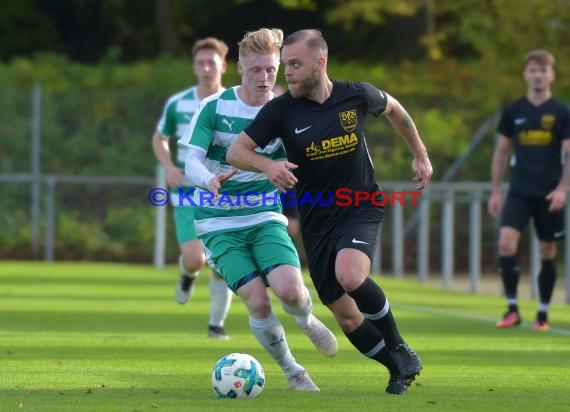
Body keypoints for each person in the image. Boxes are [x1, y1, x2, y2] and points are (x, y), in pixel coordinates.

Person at [227, 29, 432, 395]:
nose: (285, 73)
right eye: (285, 64)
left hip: (360, 207)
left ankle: (400, 345)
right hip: (317, 221)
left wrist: (420, 153)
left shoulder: (356, 95)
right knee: (346, 315)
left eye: (294, 64)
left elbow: (396, 111)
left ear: (320, 63)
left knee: (351, 275)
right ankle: (396, 367)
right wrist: (267, 166)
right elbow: (237, 151)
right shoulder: (282, 109)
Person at [178, 27, 338, 391]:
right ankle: (293, 370)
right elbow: (191, 159)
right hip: (217, 222)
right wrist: (208, 180)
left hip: (265, 215)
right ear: (240, 68)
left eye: (271, 69)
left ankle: (307, 319)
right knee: (258, 302)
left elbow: (308, 160)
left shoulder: (287, 110)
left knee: (293, 292)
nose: (265, 78)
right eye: (256, 70)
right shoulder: (215, 107)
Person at [152, 37, 233, 339]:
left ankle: (216, 325)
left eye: (211, 62)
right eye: (200, 63)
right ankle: (187, 273)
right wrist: (170, 167)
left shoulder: (234, 101)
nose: (206, 68)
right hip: (187, 190)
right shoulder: (179, 103)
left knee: (222, 261)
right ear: (194, 67)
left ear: (223, 66)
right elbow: (159, 138)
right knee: (196, 258)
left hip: (223, 192)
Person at [488, 49, 570, 331]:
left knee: (548, 251)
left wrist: (562, 189)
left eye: (544, 70)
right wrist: (496, 192)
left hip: (549, 194)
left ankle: (543, 315)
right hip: (519, 192)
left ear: (552, 75)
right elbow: (500, 153)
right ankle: (512, 309)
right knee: (505, 244)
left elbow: (569, 153)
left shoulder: (562, 112)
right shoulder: (514, 111)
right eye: (533, 70)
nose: (538, 75)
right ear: (526, 74)